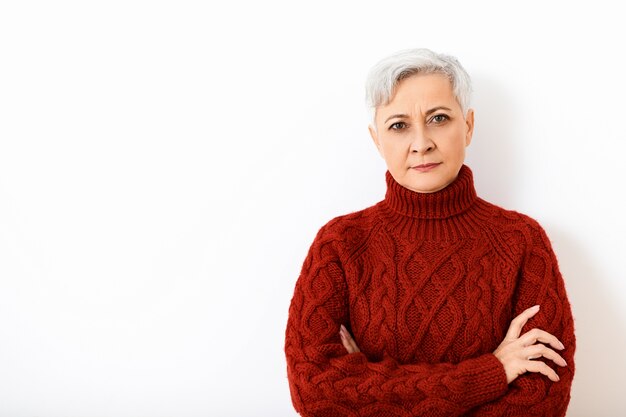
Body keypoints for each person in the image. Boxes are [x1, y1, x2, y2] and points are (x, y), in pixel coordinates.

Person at [284, 48, 575, 417]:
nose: (421, 142)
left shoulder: (521, 242)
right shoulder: (340, 244)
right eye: (399, 125)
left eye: (438, 118)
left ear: (468, 126)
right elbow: (315, 392)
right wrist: (492, 372)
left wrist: (373, 394)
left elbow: (542, 401)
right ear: (377, 140)